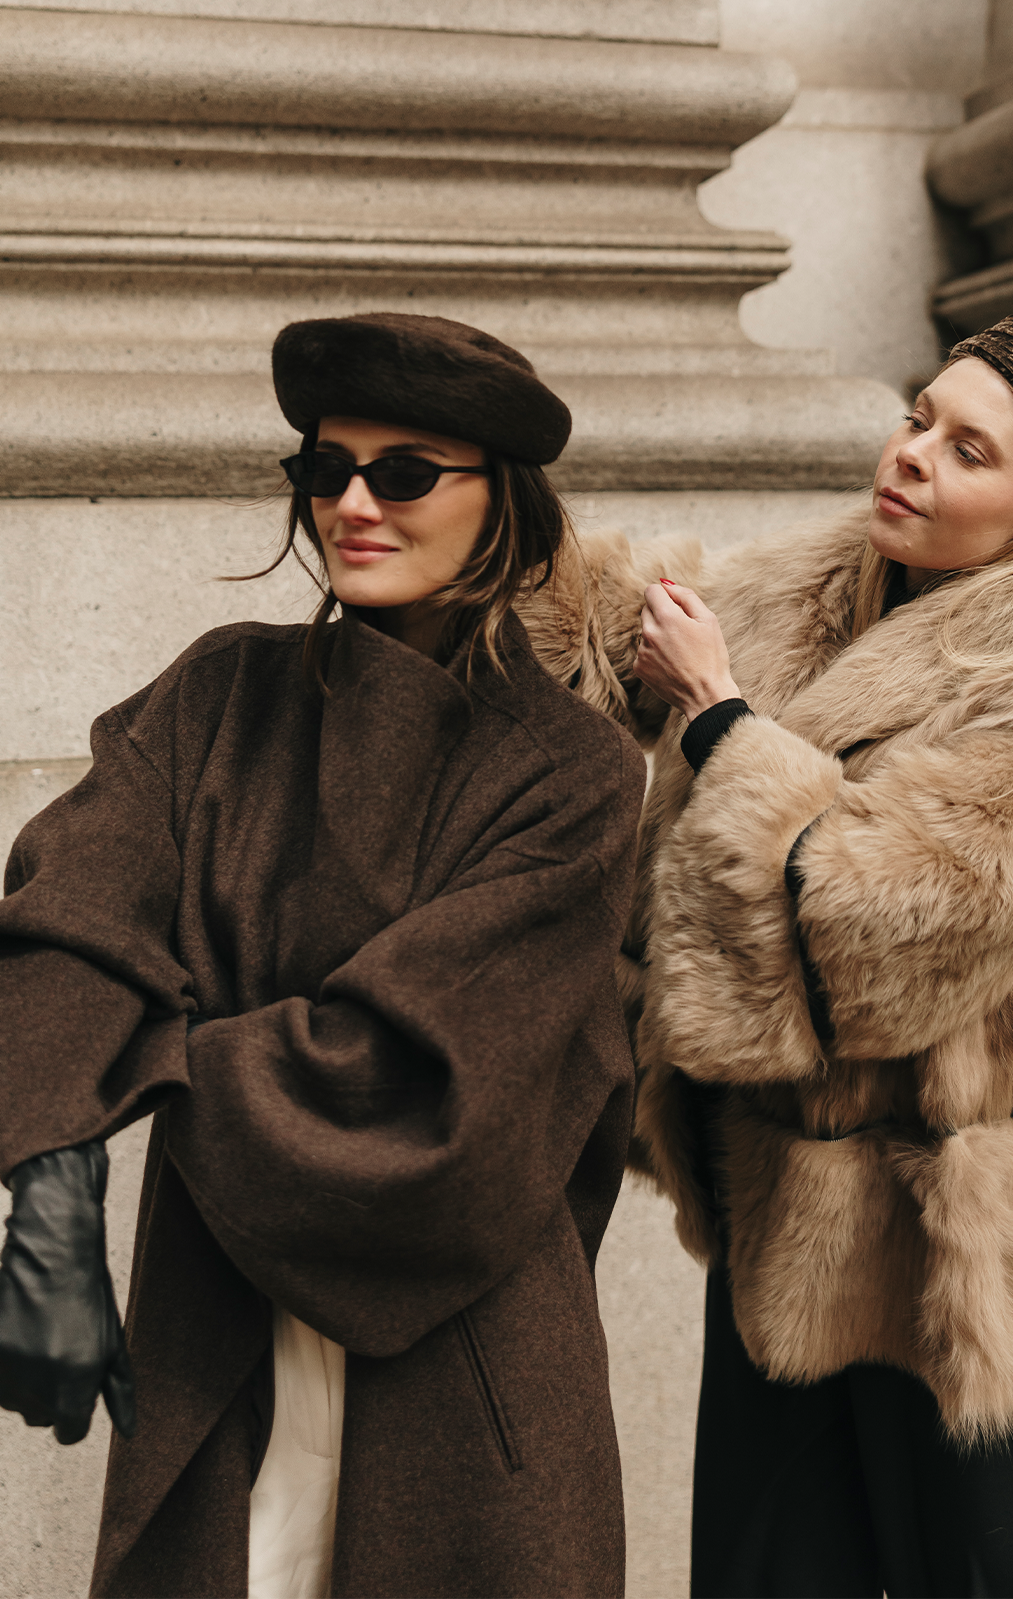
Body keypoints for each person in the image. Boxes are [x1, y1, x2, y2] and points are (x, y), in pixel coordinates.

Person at [0, 312, 645, 1599]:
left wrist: (160, 1055)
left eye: (402, 473)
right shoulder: (216, 698)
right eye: (325, 467)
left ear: (502, 502)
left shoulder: (571, 773)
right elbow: (70, 917)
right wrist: (52, 1194)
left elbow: (419, 1081)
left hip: (465, 1364)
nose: (353, 504)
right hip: (217, 1327)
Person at [522, 303, 1013, 1598]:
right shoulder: (822, 583)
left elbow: (871, 942)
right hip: (781, 1217)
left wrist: (720, 720)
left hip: (957, 1252)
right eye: (919, 417)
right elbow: (605, 623)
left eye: (970, 450)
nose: (912, 453)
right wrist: (468, 499)